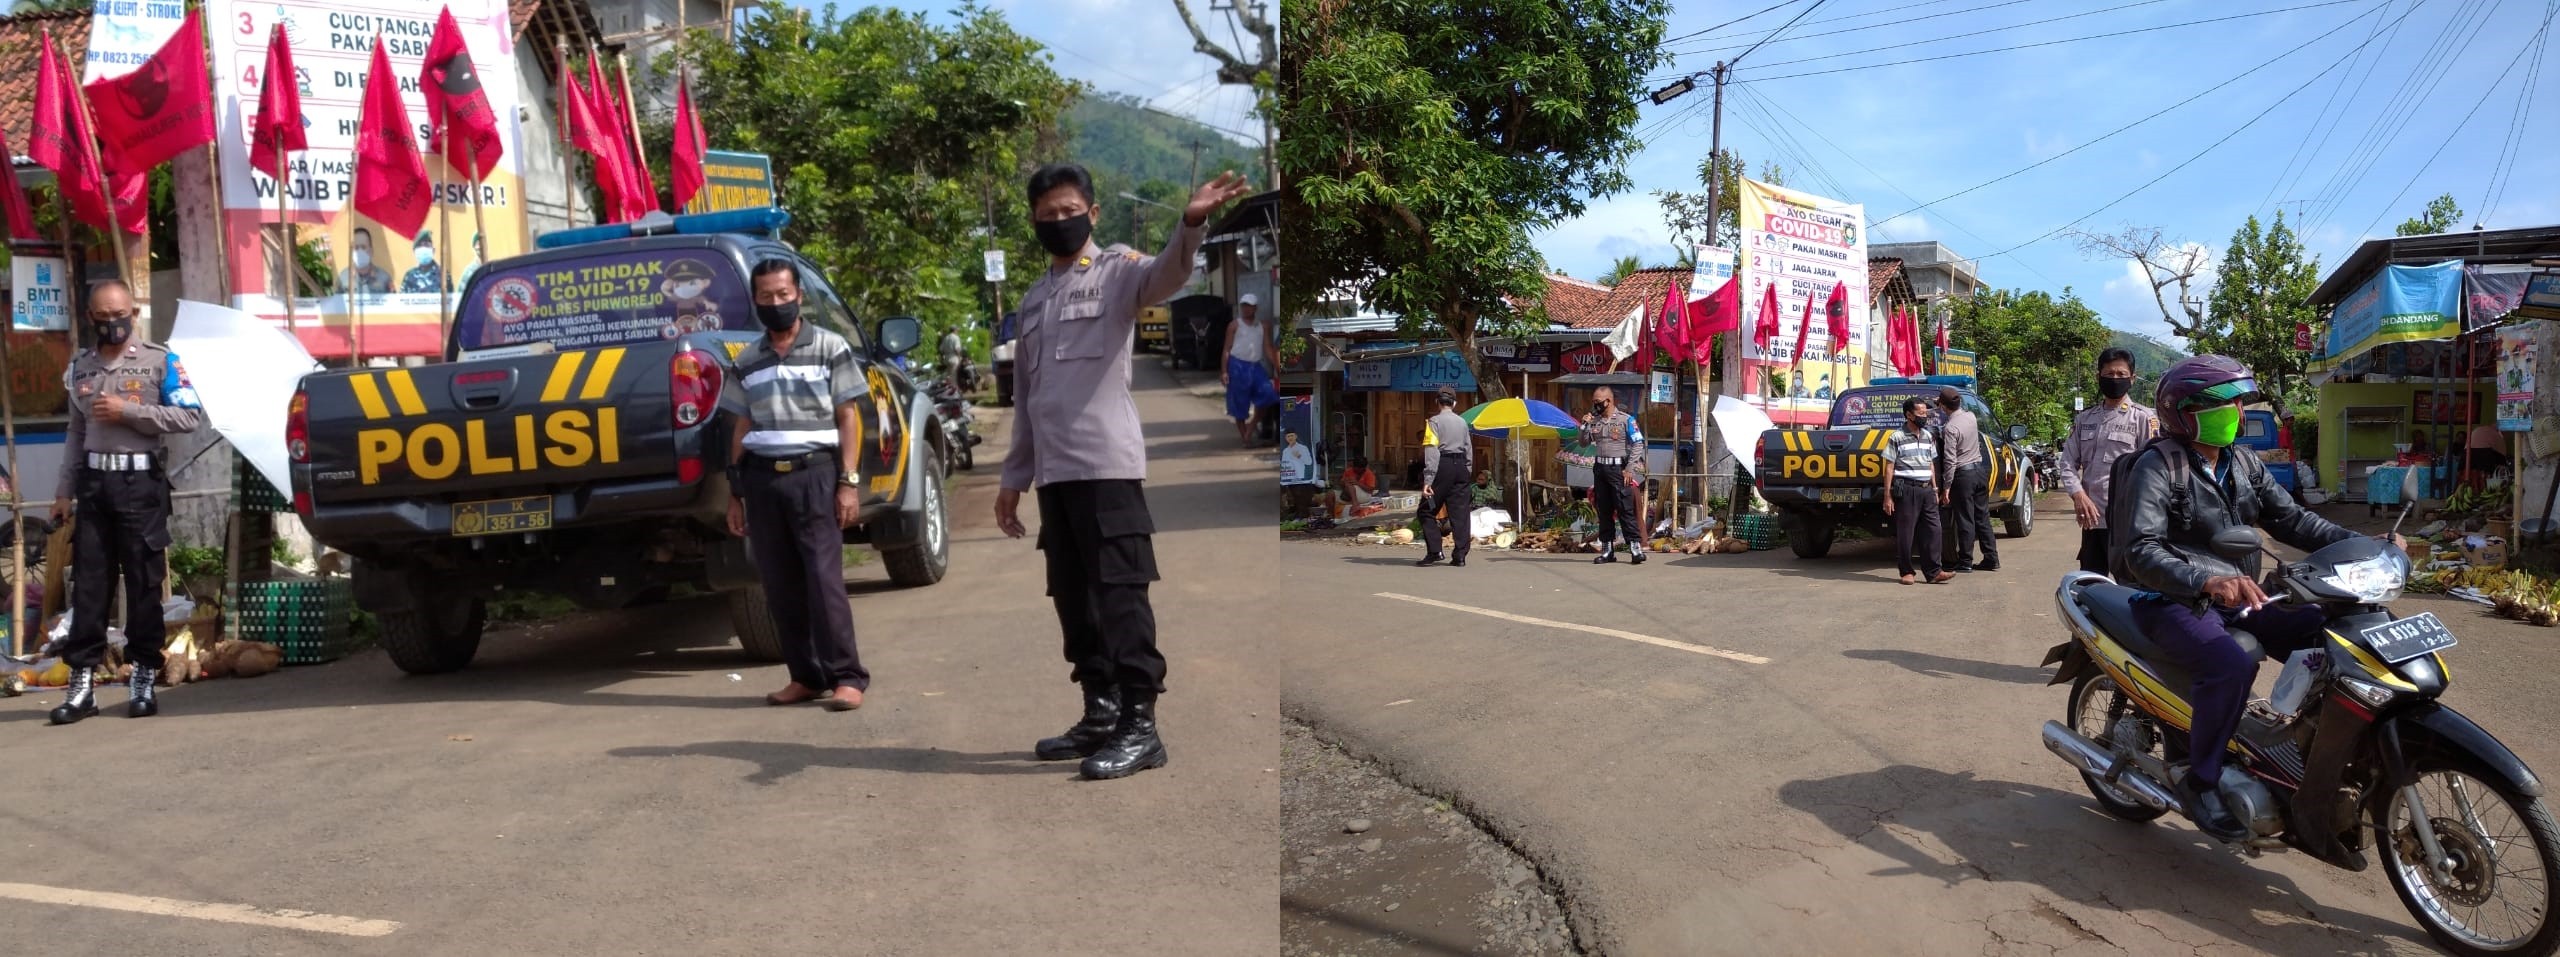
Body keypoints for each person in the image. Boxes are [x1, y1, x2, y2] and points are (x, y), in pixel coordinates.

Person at [996, 163, 1252, 781]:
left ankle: (1142, 726)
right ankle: (1100, 710)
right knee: (1074, 601)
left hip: (1106, 467)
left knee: (1120, 597)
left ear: (1093, 212)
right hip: (1056, 476)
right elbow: (1028, 402)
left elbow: (1167, 275)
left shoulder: (1116, 274)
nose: (1060, 223)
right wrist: (1013, 480)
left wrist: (1191, 223)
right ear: (1033, 222)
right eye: (1048, 216)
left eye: (1069, 211)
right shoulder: (1032, 300)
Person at [2118, 355, 2375, 842]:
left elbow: (2294, 520)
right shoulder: (2157, 465)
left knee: (2326, 630)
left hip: (2243, 592)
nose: (2236, 412)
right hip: (2170, 598)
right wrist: (2204, 581)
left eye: (2239, 403)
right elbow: (2141, 550)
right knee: (2231, 665)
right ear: (2184, 412)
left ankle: (2309, 750)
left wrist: (2362, 545)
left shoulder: (2242, 460)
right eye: (2225, 404)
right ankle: (2201, 778)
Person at [46, 281, 204, 724]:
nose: (112, 323)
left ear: (132, 313)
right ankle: (81, 685)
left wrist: (128, 412)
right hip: (95, 485)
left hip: (141, 483)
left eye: (120, 314)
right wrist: (63, 492)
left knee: (143, 582)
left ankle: (142, 678)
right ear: (91, 318)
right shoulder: (81, 367)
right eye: (103, 316)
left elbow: (189, 416)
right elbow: (75, 435)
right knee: (91, 586)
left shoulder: (161, 361)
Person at [721, 260, 871, 714]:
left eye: (783, 294)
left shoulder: (830, 347)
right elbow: (741, 425)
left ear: (799, 295)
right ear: (756, 301)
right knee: (779, 584)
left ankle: (847, 676)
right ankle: (805, 675)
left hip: (816, 476)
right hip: (763, 481)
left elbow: (849, 417)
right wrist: (736, 491)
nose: (776, 303)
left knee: (823, 582)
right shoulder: (747, 360)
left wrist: (847, 483)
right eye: (766, 297)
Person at [2060, 348, 2159, 575]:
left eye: (2121, 374)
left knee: (2131, 590)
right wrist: (2079, 496)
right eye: (2109, 374)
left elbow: (2153, 470)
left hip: (2129, 522)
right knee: (2092, 588)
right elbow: (2067, 463)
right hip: (2093, 520)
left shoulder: (2143, 418)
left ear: (2132, 379)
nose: (2115, 379)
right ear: (2098, 377)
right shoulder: (2085, 419)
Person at [1882, 398, 1953, 586]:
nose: (1924, 417)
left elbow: (1930, 462)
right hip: (1906, 489)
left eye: (1925, 414)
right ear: (1909, 415)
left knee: (1934, 530)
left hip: (1927, 490)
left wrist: (1935, 486)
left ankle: (1934, 571)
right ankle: (1906, 571)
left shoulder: (1928, 436)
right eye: (1920, 414)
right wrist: (1887, 496)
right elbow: (1889, 467)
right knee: (1906, 532)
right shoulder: (1896, 437)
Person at [1935, 386, 1998, 572]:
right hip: (1979, 472)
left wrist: (1946, 487)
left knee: (1965, 520)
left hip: (1963, 476)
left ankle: (1965, 562)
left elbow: (1950, 460)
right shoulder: (1970, 417)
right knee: (1982, 517)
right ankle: (1991, 558)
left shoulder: (1950, 428)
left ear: (1944, 406)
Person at [1581, 387, 1646, 565]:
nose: (1595, 405)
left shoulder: (1626, 420)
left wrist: (1630, 468)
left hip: (1619, 470)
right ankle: (1607, 549)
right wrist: (1584, 426)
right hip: (1600, 469)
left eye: (1598, 402)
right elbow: (1583, 442)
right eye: (1594, 402)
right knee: (1604, 510)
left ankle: (1635, 548)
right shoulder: (1594, 421)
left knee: (1625, 508)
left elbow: (1638, 444)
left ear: (1609, 401)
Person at [1414, 390, 1473, 568]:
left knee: (1426, 510)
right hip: (1461, 467)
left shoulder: (1433, 422)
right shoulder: (1463, 422)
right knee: (1460, 513)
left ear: (1437, 402)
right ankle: (1460, 556)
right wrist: (1466, 470)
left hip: (1443, 466)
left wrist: (1428, 480)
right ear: (1454, 403)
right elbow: (1468, 448)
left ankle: (1435, 551)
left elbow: (1432, 451)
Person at [1221, 293, 1277, 447]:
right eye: (1244, 305)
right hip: (1237, 365)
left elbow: (1267, 347)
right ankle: (1245, 437)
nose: (1246, 309)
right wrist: (1224, 371)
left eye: (1249, 306)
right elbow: (1226, 349)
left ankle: (1251, 427)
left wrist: (1278, 365)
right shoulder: (1234, 325)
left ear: (1255, 308)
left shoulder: (1263, 326)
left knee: (1268, 394)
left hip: (1255, 366)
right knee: (1239, 404)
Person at [338, 227, 394, 294]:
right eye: (356, 247)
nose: (360, 251)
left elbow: (394, 302)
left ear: (371, 251)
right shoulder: (343, 278)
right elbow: (336, 302)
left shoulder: (384, 278)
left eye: (363, 247)